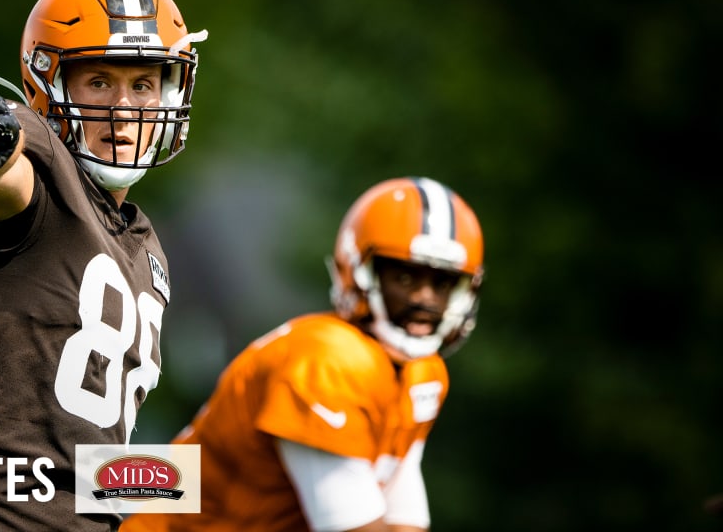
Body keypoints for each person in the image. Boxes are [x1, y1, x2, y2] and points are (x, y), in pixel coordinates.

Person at [0, 0, 207, 532]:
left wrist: (201, 482)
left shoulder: (146, 250)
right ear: (49, 84)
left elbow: (83, 464)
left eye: (142, 85)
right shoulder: (35, 158)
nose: (123, 111)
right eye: (99, 82)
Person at [122, 176, 485, 532]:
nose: (424, 298)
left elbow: (403, 504)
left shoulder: (423, 373)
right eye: (405, 278)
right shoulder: (326, 360)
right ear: (359, 269)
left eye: (441, 283)